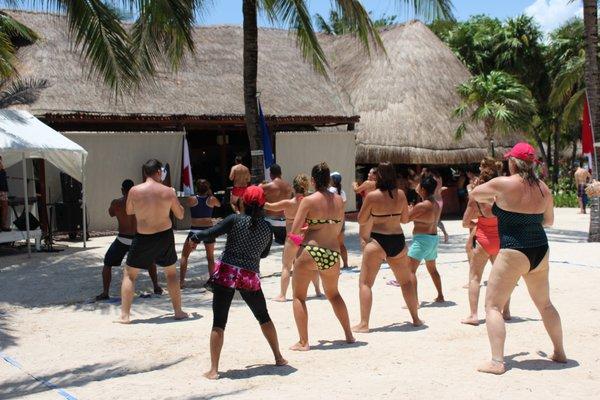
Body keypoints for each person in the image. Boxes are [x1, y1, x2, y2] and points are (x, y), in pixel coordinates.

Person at [470, 142, 565, 375]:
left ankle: (497, 361)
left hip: (514, 249)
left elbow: (475, 193)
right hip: (540, 249)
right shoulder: (544, 188)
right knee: (545, 304)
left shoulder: (504, 183)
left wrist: (496, 200)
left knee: (493, 305)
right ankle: (560, 352)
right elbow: (549, 221)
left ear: (513, 162)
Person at [190, 185, 287, 379]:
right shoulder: (266, 228)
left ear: (243, 201)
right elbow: (265, 253)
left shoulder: (235, 219)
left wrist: (195, 236)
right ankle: (278, 357)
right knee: (263, 315)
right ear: (262, 204)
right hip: (249, 275)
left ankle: (214, 370)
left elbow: (211, 232)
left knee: (219, 321)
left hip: (227, 272)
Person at [288, 162, 355, 351]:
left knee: (299, 297)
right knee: (334, 294)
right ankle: (349, 335)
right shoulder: (339, 201)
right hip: (332, 252)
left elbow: (294, 233)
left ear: (312, 181)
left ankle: (304, 342)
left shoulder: (308, 201)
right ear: (328, 180)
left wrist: (299, 239)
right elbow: (334, 226)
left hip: (310, 250)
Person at [116, 159, 188, 323]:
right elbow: (181, 215)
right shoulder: (168, 191)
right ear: (157, 172)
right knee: (170, 273)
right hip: (164, 235)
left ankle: (125, 316)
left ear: (145, 173)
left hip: (143, 236)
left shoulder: (134, 190)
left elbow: (129, 211)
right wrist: (173, 196)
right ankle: (178, 311)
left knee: (129, 274)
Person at [352, 162, 419, 332]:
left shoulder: (372, 196)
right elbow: (405, 220)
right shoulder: (401, 195)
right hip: (397, 239)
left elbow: (361, 220)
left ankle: (364, 324)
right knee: (405, 282)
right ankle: (416, 318)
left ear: (379, 176)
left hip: (377, 240)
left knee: (365, 283)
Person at [460, 159, 510, 326]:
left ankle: (474, 315)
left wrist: (478, 223)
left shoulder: (476, 198)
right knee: (503, 278)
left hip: (481, 239)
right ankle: (506, 311)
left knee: (475, 278)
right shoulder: (503, 197)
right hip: (500, 239)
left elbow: (465, 223)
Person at [96, 180, 163, 301]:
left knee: (107, 264)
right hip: (138, 238)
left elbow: (111, 213)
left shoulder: (116, 203)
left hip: (122, 238)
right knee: (150, 262)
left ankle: (105, 292)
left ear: (122, 190)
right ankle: (156, 286)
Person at [265, 173, 322, 302]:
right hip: (306, 237)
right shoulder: (310, 202)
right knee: (312, 265)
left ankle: (282, 295)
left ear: (293, 188)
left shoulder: (288, 203)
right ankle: (318, 290)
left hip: (292, 237)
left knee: (286, 266)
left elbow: (268, 206)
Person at [407, 173, 444, 304]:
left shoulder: (422, 206)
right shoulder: (436, 205)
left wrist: (409, 210)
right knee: (433, 270)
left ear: (423, 190)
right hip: (433, 239)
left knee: (410, 271)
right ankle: (440, 295)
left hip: (421, 240)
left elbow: (405, 219)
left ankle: (414, 302)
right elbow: (428, 219)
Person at [179, 179, 221, 288]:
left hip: (195, 231)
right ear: (208, 188)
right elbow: (219, 205)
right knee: (210, 257)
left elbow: (183, 204)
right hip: (208, 230)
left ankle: (181, 282)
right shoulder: (212, 199)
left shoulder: (192, 199)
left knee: (184, 256)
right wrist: (210, 194)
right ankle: (212, 281)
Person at [261, 164, 292, 244]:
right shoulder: (289, 186)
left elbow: (253, 195)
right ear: (281, 173)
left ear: (271, 174)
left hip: (271, 222)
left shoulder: (266, 187)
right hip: (286, 221)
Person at [329, 171, 352, 270]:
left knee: (331, 244)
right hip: (341, 219)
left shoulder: (330, 190)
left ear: (332, 180)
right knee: (341, 244)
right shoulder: (342, 191)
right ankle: (345, 264)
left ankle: (333, 265)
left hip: (332, 220)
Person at [0, 155, 10, 231]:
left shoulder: (2, 170)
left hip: (3, 190)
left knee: (5, 207)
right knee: (4, 207)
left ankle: (3, 225)